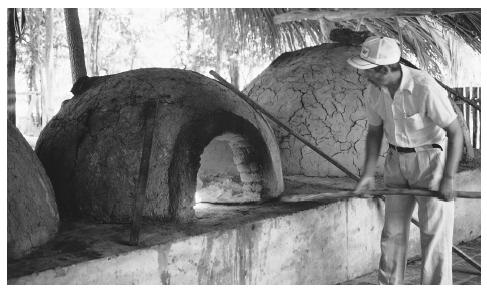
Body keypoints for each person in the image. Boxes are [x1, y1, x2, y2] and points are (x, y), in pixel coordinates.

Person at [347, 36, 464, 285]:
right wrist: (368, 175)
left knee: (434, 237)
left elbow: (455, 132)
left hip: (430, 163)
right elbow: (375, 132)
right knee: (392, 235)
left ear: (385, 69)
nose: (364, 76)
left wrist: (448, 178)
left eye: (369, 70)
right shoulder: (374, 91)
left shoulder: (424, 87)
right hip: (395, 162)